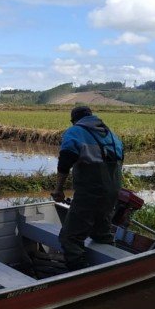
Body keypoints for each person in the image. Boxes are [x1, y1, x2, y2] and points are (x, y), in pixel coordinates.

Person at [51, 106, 124, 270]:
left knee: (70, 238)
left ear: (73, 120)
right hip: (112, 191)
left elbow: (65, 162)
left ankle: (79, 271)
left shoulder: (74, 132)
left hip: (90, 192)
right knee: (102, 233)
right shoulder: (112, 136)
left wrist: (58, 189)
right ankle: (112, 267)